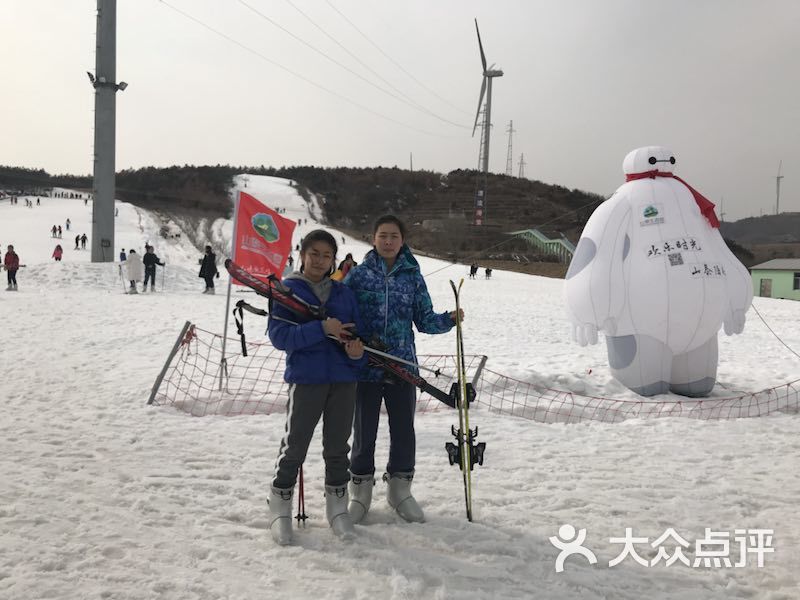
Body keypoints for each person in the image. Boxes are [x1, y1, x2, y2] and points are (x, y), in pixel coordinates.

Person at [343, 215, 463, 524]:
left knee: (403, 431)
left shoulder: (412, 276)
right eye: (382, 235)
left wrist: (448, 320)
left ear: (402, 240)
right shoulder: (358, 275)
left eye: (393, 236)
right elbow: (340, 314)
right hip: (365, 366)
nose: (387, 241)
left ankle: (399, 490)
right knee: (363, 431)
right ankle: (360, 491)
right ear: (373, 238)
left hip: (402, 366)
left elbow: (424, 319)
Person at [267, 230, 366, 545]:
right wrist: (320, 328)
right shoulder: (287, 290)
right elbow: (280, 338)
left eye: (327, 255)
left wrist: (356, 352)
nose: (320, 260)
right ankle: (279, 504)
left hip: (343, 380)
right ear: (303, 253)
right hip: (307, 378)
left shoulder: (344, 293)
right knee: (295, 445)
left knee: (338, 448)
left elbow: (357, 335)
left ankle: (337, 508)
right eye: (315, 253)